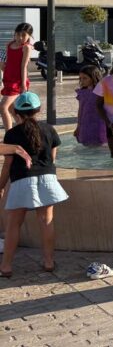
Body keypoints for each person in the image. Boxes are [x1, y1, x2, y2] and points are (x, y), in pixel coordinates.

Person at [0, 92, 68, 277]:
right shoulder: (50, 130)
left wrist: (1, 186)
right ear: (38, 110)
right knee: (46, 222)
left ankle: (6, 267)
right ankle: (49, 262)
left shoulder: (12, 134)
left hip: (22, 180)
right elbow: (52, 158)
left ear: (15, 113)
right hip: (47, 179)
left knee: (14, 224)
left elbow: (7, 165)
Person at [1, 22, 33, 132]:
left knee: (3, 107)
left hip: (17, 82)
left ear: (29, 36)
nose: (20, 38)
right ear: (14, 34)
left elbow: (24, 67)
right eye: (18, 34)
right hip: (8, 80)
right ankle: (25, 131)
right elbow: (8, 63)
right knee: (12, 110)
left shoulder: (26, 48)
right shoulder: (9, 45)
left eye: (24, 35)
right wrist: (3, 67)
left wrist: (23, 85)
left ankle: (9, 135)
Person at [73, 66, 107, 148]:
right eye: (80, 78)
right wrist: (78, 126)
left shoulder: (101, 91)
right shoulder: (82, 92)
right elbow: (80, 109)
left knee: (101, 144)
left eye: (85, 78)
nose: (82, 81)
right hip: (86, 122)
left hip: (100, 123)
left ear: (94, 78)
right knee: (87, 143)